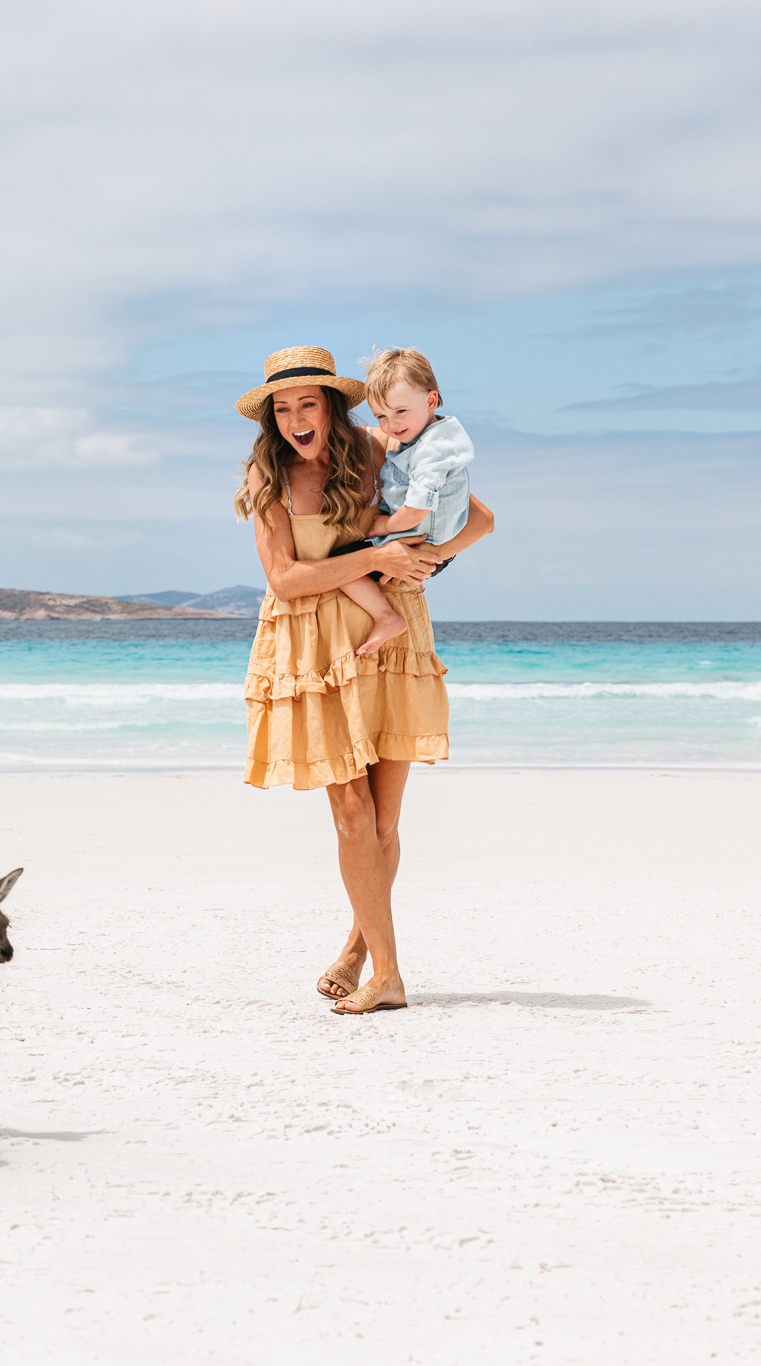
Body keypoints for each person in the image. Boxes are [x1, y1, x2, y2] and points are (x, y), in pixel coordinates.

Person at [232, 347, 495, 1015]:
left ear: (331, 406)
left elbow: (479, 519)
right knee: (352, 815)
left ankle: (357, 951)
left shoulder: (377, 451)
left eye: (308, 404)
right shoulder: (269, 479)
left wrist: (426, 560)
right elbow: (286, 579)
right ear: (271, 418)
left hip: (393, 637)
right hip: (316, 650)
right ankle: (390, 973)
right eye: (283, 408)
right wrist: (380, 554)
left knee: (382, 822)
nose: (296, 418)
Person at [326, 348, 477, 656]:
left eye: (400, 411)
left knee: (340, 562)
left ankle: (386, 617)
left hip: (419, 541)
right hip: (430, 543)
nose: (391, 424)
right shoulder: (432, 438)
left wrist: (385, 524)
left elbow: (418, 507)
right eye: (381, 415)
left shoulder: (430, 451)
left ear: (430, 400)